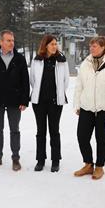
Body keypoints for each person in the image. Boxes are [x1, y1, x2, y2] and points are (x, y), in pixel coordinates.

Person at [73, 36, 105, 180]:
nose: (92, 48)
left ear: (103, 47)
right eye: (91, 46)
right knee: (82, 136)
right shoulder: (85, 64)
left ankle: (100, 166)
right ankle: (88, 164)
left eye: (95, 46)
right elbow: (79, 86)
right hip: (86, 107)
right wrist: (77, 105)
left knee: (102, 138)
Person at [0, 30, 29, 171]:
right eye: (8, 40)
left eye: (13, 40)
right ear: (1, 42)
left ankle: (16, 158)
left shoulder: (20, 58)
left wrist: (24, 100)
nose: (11, 43)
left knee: (15, 130)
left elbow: (25, 81)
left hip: (15, 100)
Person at [29, 35, 69, 172]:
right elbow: (32, 80)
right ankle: (40, 160)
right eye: (52, 44)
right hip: (39, 102)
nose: (55, 46)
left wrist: (58, 94)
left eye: (56, 44)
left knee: (54, 131)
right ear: (45, 45)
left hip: (55, 102)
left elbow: (66, 81)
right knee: (41, 131)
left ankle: (55, 160)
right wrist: (39, 93)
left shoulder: (61, 61)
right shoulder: (37, 60)